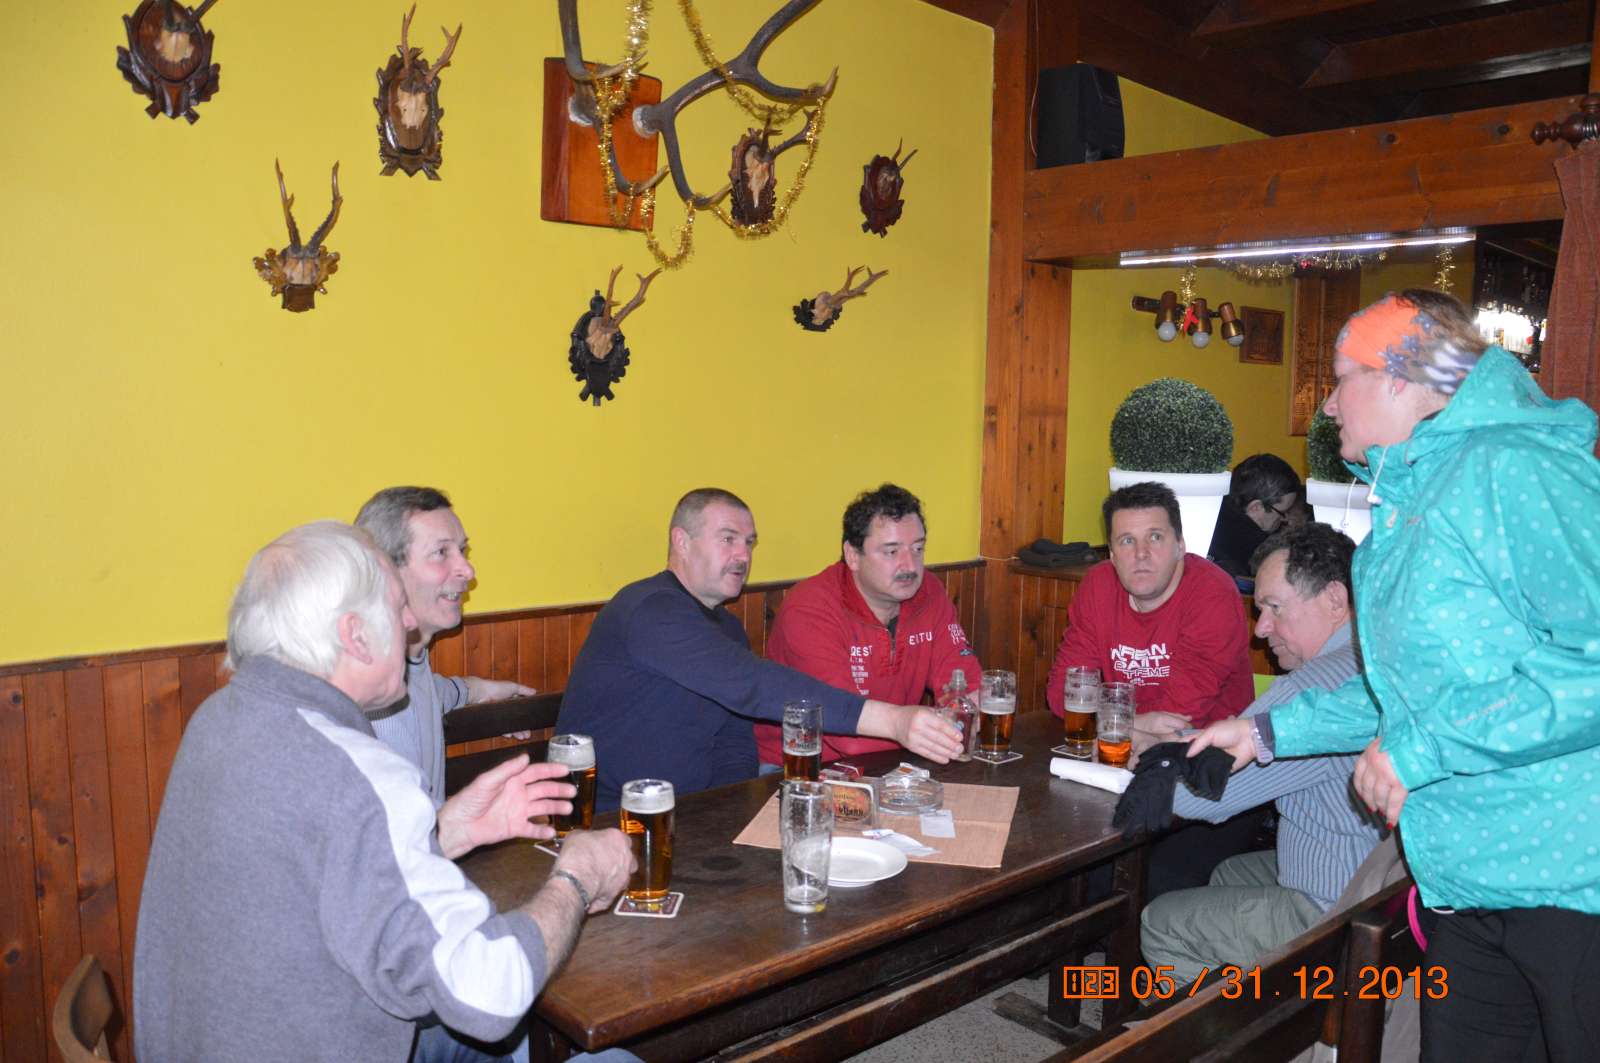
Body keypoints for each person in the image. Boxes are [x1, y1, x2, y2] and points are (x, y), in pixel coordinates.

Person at [1188, 290, 1600, 1063]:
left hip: (1569, 875)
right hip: (1462, 876)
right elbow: (1397, 692)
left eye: (1341, 377)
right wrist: (1266, 730)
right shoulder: (1404, 511)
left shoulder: (1515, 467)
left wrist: (1421, 748)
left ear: (1402, 378)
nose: (1326, 403)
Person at [134, 522, 636, 1063]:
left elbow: (329, 870)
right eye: (398, 609)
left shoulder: (217, 719)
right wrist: (577, 878)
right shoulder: (359, 774)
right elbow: (489, 995)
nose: (411, 623)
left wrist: (446, 830)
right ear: (355, 635)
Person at [557, 488, 963, 811]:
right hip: (608, 817)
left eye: (749, 543)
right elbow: (751, 684)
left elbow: (734, 739)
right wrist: (893, 720)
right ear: (682, 542)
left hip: (691, 815)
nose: (743, 555)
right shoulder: (650, 609)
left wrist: (730, 811)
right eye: (728, 539)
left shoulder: (727, 628)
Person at [1140, 522, 1381, 982]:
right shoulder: (1376, 662)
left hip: (1335, 907)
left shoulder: (1310, 689)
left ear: (1335, 599)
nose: (1261, 629)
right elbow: (1240, 745)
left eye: (1273, 607)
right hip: (1376, 883)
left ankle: (1245, 1025)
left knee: (1163, 921)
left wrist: (1136, 755)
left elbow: (1201, 796)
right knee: (1228, 874)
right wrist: (1174, 738)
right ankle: (1258, 1002)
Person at [752, 484, 981, 767]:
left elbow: (966, 688)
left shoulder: (929, 593)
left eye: (918, 548)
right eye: (891, 551)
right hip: (799, 768)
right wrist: (917, 732)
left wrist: (949, 725)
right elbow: (843, 729)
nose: (910, 566)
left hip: (897, 761)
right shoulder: (810, 608)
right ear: (852, 555)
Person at [356, 487, 535, 808]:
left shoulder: (409, 665)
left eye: (462, 551)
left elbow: (430, 693)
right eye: (441, 552)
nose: (468, 570)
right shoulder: (370, 700)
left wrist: (476, 689)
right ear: (385, 571)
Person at [1046, 481, 1255, 731]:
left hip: (1208, 747)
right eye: (1127, 541)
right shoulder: (1098, 585)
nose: (1141, 553)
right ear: (1112, 554)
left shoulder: (1212, 593)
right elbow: (1063, 694)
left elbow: (1180, 716)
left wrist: (1108, 716)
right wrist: (1135, 721)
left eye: (1155, 537)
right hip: (1122, 741)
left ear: (1180, 545)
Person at [1207, 453, 1303, 580]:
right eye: (1283, 512)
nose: (1287, 520)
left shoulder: (1207, 516)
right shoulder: (1258, 555)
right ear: (1255, 507)